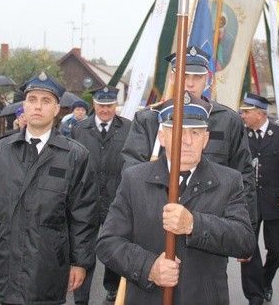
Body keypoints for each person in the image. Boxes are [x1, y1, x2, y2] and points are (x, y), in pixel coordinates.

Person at [97, 91, 256, 304]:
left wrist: (195, 225)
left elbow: (244, 242)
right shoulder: (134, 179)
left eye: (195, 133)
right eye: (178, 131)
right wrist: (149, 267)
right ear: (162, 137)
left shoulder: (228, 181)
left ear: (206, 139)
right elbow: (108, 243)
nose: (187, 141)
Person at [0, 72, 99, 305]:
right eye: (32, 100)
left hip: (48, 263)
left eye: (46, 101)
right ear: (24, 105)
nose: (38, 106)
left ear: (57, 109)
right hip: (5, 262)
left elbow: (84, 215)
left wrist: (79, 262)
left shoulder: (75, 156)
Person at [121, 45, 257, 225]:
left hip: (211, 224)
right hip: (160, 220)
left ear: (207, 80)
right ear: (172, 77)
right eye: (184, 76)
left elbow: (244, 176)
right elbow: (132, 171)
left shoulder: (228, 120)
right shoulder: (150, 119)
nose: (190, 83)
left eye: (197, 77)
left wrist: (246, 229)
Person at [69, 86, 133, 304]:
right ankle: (81, 297)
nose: (105, 110)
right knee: (83, 249)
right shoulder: (79, 129)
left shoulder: (128, 129)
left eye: (109, 105)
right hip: (86, 199)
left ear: (116, 105)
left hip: (117, 199)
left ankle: (112, 288)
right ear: (94, 104)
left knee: (114, 245)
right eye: (101, 105)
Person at [238, 93, 279, 305]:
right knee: (248, 248)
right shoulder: (241, 134)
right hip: (247, 203)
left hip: (276, 202)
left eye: (246, 112)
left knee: (277, 248)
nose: (242, 115)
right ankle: (254, 294)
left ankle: (266, 280)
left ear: (259, 113)